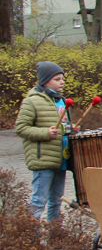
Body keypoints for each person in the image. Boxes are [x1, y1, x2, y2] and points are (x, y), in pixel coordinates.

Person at [16, 62, 76, 220]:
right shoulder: (32, 100)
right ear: (45, 81)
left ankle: (55, 236)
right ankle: (30, 238)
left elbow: (63, 126)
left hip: (61, 158)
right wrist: (45, 133)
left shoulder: (61, 100)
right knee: (38, 201)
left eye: (62, 78)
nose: (61, 82)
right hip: (43, 159)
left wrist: (71, 128)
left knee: (56, 201)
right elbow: (21, 128)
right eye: (57, 79)